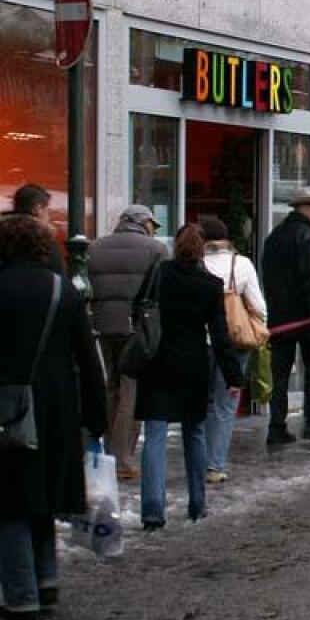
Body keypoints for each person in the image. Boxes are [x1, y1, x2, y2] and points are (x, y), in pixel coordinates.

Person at [0, 213, 106, 620]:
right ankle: (46, 583)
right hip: (58, 407)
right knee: (42, 496)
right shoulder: (64, 290)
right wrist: (96, 416)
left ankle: (20, 595)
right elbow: (87, 356)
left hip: (9, 408)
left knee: (10, 501)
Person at [134, 225, 245, 530]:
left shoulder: (159, 274)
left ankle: (153, 510)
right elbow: (221, 336)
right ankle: (197, 504)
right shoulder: (210, 284)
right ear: (201, 251)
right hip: (193, 365)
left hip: (157, 364)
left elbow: (137, 310)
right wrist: (234, 374)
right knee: (194, 433)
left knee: (154, 435)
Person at [86, 205, 168, 479]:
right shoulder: (155, 250)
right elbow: (160, 294)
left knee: (112, 385)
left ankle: (110, 452)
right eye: (151, 225)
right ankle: (121, 459)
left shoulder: (96, 247)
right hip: (137, 328)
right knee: (130, 390)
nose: (153, 230)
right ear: (142, 223)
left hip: (103, 325)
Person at [262, 187, 310, 444]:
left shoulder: (275, 236)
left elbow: (268, 277)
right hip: (304, 318)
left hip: (279, 318)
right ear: (303, 208)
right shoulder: (306, 236)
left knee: (279, 373)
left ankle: (276, 426)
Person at [201, 216, 267, 485]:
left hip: (201, 342)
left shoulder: (196, 263)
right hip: (235, 341)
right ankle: (215, 465)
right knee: (225, 404)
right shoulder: (241, 264)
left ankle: (201, 459)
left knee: (204, 402)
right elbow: (260, 307)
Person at [2, 184, 65, 275]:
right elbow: (57, 271)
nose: (49, 216)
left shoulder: (3, 233)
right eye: (47, 210)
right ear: (38, 209)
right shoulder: (43, 238)